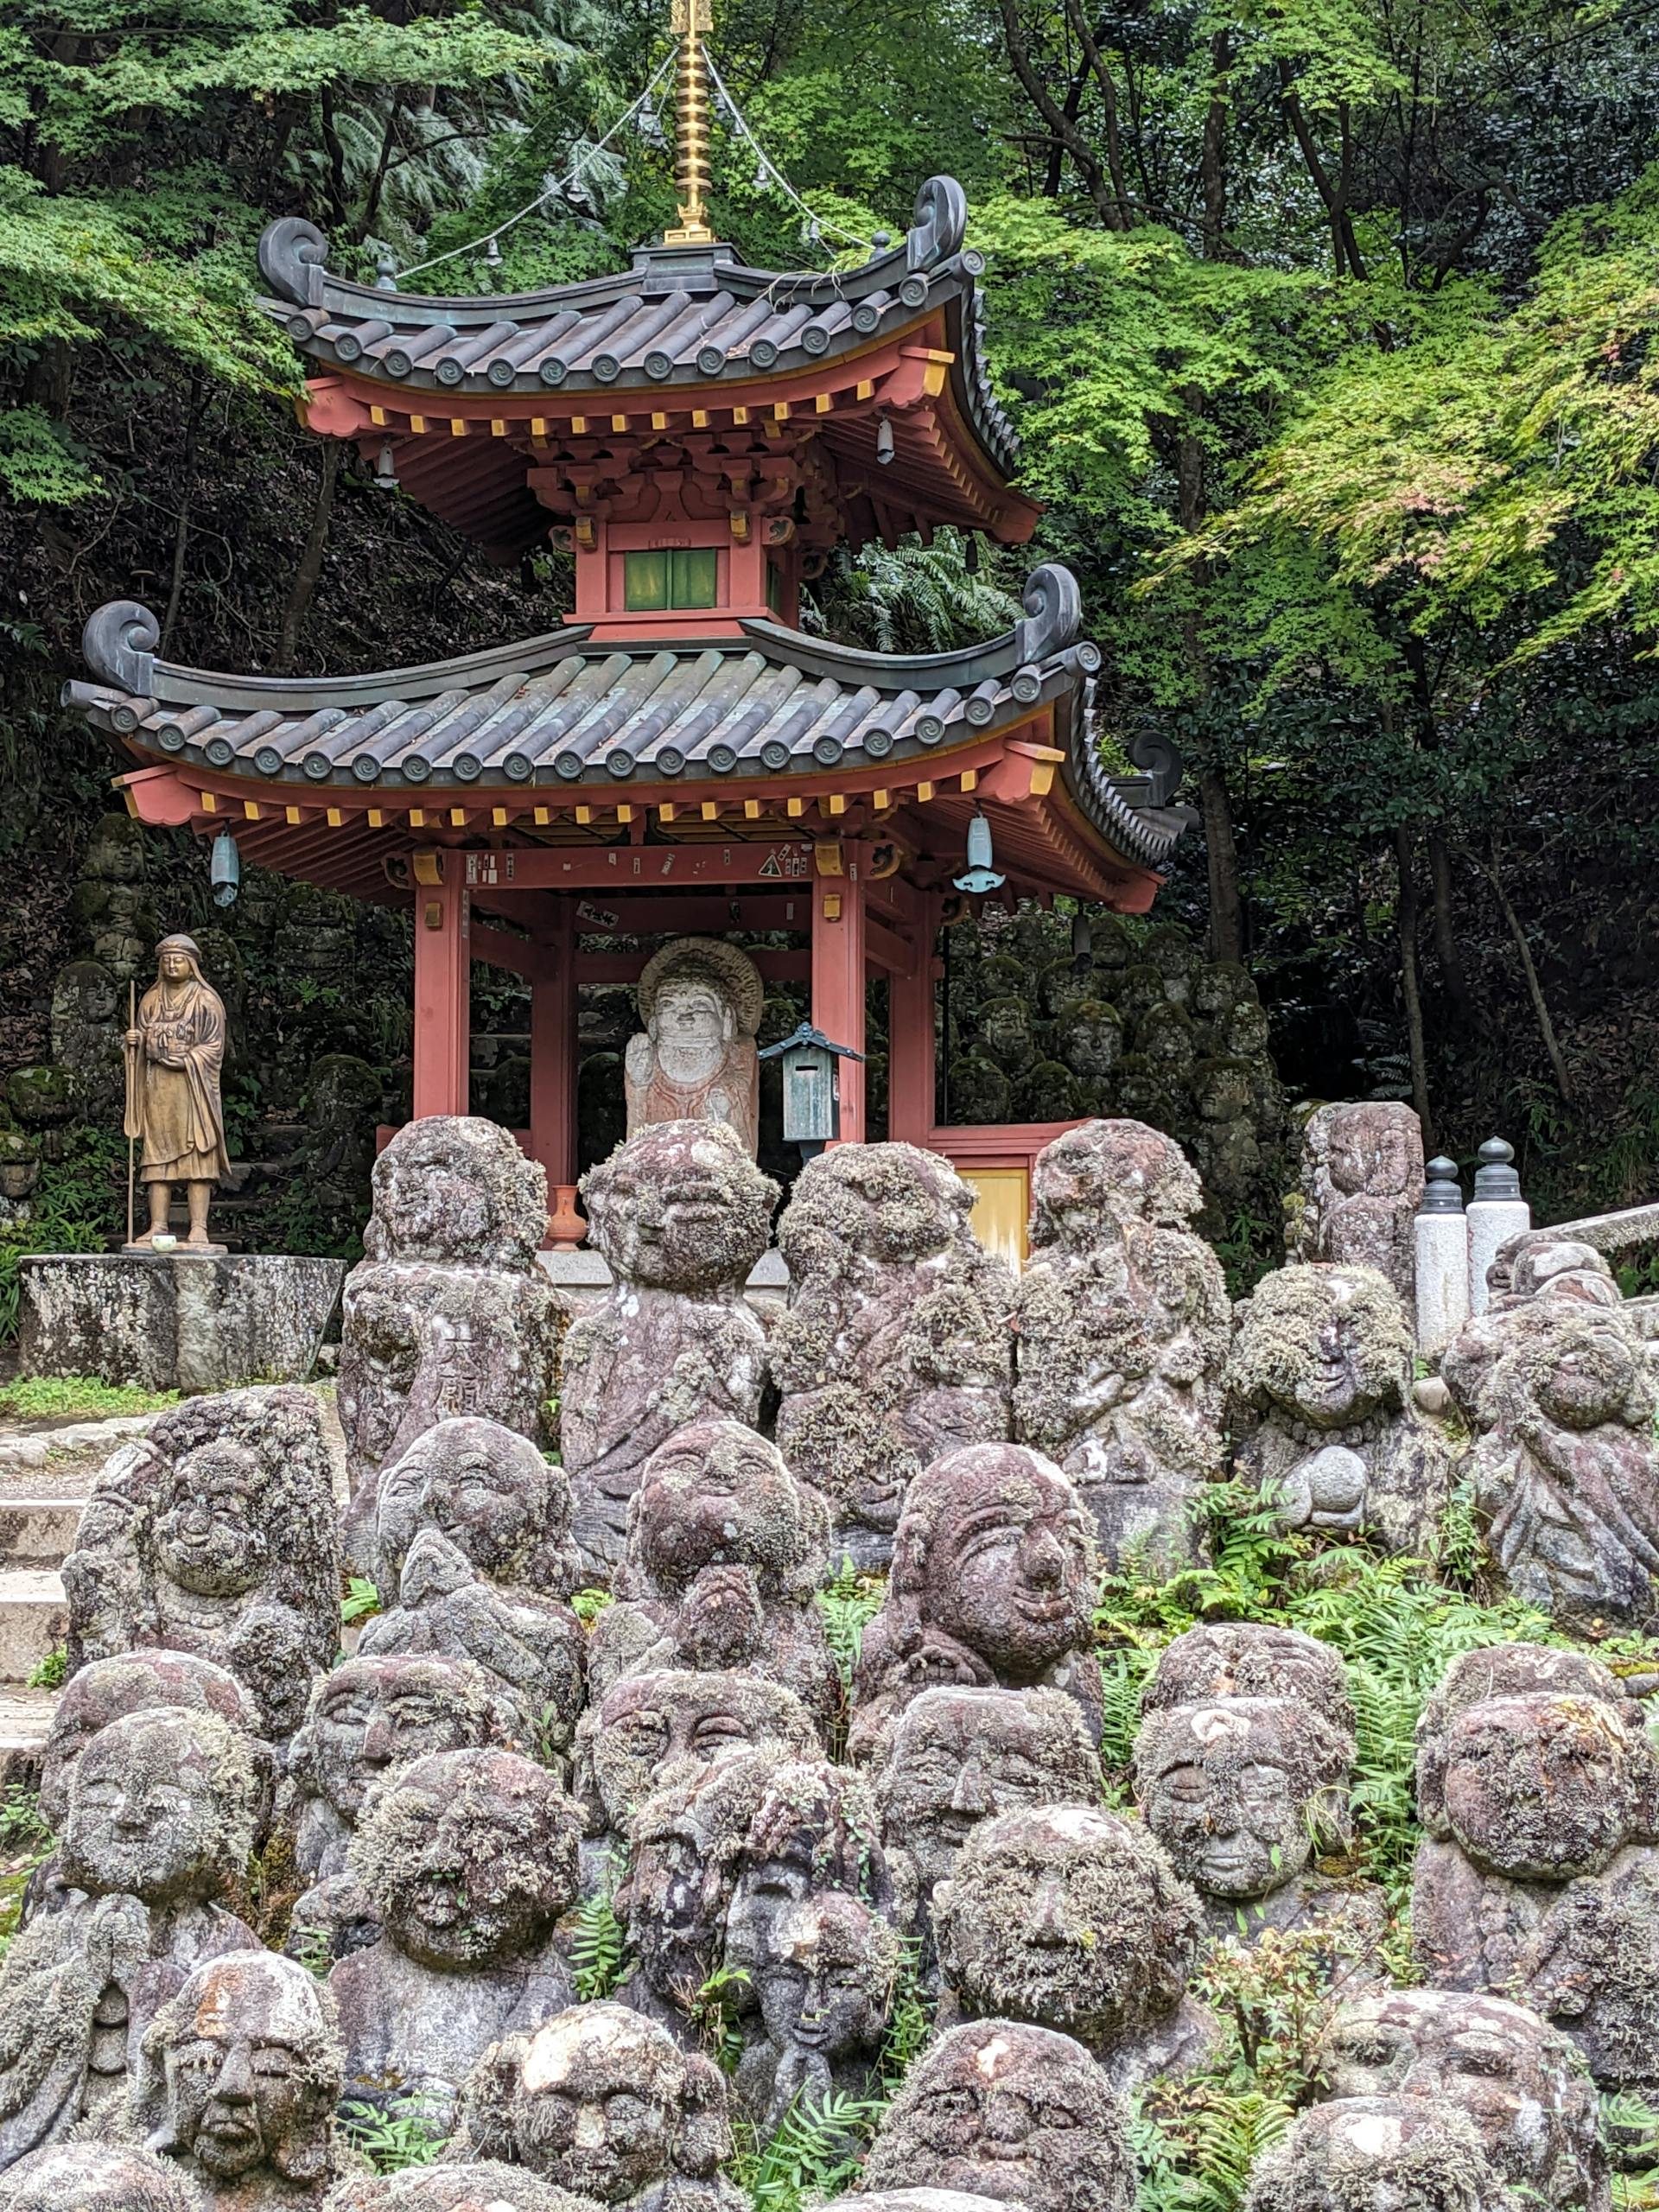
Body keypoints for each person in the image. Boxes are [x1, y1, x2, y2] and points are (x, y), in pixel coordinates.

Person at [124, 933, 229, 1252]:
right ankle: (158, 1224)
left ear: (192, 964)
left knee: (198, 1158)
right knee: (157, 1159)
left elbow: (214, 1047)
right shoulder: (150, 1000)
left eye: (178, 959)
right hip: (158, 1088)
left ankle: (198, 1227)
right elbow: (140, 1043)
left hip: (193, 1089)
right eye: (166, 960)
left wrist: (187, 1059)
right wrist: (134, 1045)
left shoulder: (206, 1001)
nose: (171, 964)